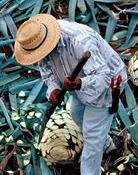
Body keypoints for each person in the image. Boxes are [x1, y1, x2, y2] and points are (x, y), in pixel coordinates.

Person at [13, 14, 127, 175]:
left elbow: (104, 77)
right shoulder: (37, 41)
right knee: (76, 114)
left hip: (106, 86)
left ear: (49, 41)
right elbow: (46, 68)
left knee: (92, 139)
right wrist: (53, 88)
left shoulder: (80, 41)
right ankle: (108, 144)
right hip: (77, 86)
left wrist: (80, 83)